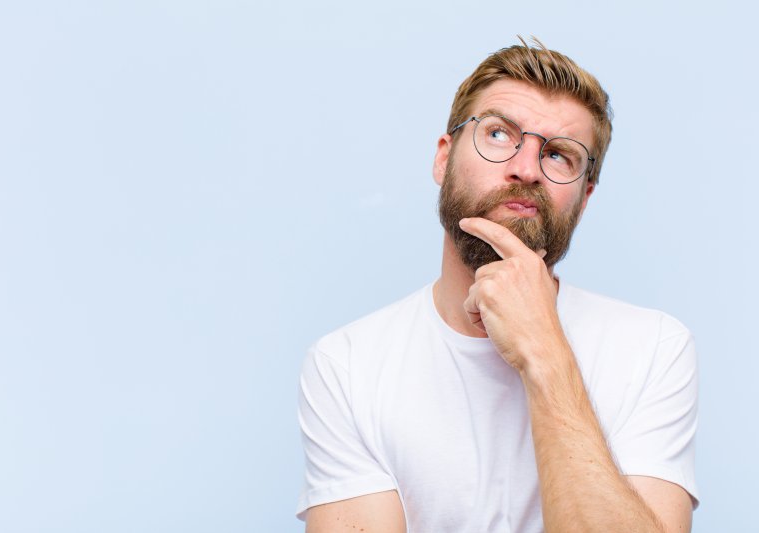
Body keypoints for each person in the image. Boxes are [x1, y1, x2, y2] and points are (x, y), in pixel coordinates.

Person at [296, 38, 698, 533]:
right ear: (443, 159)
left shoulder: (652, 348)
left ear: (585, 197)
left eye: (559, 156)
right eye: (499, 135)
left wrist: (544, 353)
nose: (525, 169)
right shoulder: (347, 364)